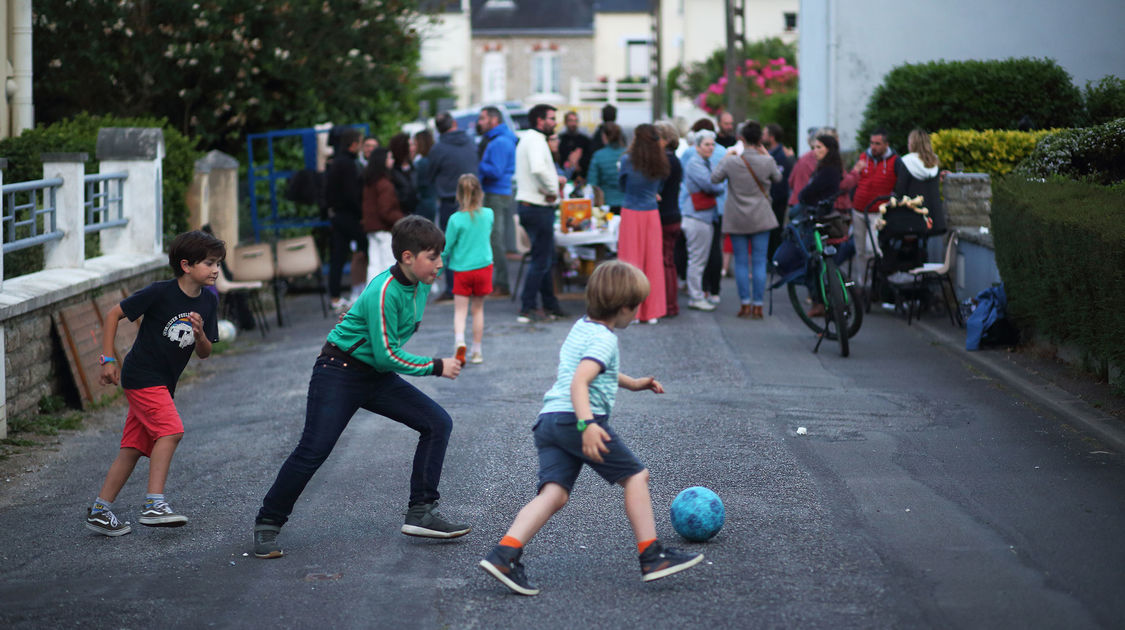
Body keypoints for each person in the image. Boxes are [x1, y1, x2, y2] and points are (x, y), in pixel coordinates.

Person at [478, 261, 704, 596]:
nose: (637, 312)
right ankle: (651, 556)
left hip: (549, 421)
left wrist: (634, 383)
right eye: (637, 306)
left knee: (554, 494)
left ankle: (504, 553)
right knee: (636, 477)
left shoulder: (583, 327)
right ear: (623, 307)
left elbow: (593, 371)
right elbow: (581, 380)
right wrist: (587, 425)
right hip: (576, 420)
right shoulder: (605, 341)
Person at [253, 216, 470, 559]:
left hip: (373, 374)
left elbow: (381, 351)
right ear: (408, 257)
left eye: (440, 255)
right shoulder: (383, 289)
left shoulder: (423, 282)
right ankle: (267, 524)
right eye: (433, 256)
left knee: (437, 422)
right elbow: (386, 355)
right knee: (314, 450)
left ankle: (421, 512)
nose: (440, 264)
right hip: (339, 371)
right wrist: (436, 366)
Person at [85, 231, 225, 537]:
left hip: (162, 382)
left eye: (218, 263)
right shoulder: (160, 292)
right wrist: (108, 360)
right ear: (186, 265)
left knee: (133, 448)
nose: (216, 269)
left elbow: (204, 353)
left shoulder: (207, 303)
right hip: (141, 375)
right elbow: (113, 315)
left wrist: (200, 335)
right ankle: (154, 504)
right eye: (210, 263)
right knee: (171, 431)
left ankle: (100, 510)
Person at [711, 121, 781, 319]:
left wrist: (726, 156)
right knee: (759, 262)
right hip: (761, 216)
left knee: (741, 262)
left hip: (736, 216)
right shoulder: (766, 161)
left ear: (741, 138)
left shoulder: (731, 161)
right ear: (760, 139)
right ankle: (758, 305)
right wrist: (767, 156)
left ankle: (745, 304)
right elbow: (778, 179)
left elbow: (714, 179)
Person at [515, 104, 567, 324]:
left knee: (545, 258)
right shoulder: (536, 140)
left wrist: (549, 188)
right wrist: (554, 187)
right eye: (552, 118)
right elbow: (538, 168)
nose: (555, 123)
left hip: (531, 204)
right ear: (539, 120)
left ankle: (549, 305)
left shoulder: (529, 139)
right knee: (541, 259)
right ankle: (528, 307)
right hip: (537, 207)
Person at [617, 123, 670, 324]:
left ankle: (632, 312)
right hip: (651, 213)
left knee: (630, 263)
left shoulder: (627, 160)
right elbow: (661, 186)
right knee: (653, 262)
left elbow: (622, 184)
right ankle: (652, 311)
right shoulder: (661, 161)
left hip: (631, 211)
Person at [427, 111, 480, 300]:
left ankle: (452, 288)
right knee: (472, 244)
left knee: (449, 246)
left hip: (450, 201)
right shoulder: (470, 142)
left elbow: (430, 174)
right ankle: (474, 286)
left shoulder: (438, 149)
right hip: (473, 202)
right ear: (454, 123)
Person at [443, 174, 494, 364]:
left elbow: (446, 247)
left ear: (458, 194)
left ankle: (459, 341)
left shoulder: (455, 220)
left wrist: (438, 270)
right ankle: (477, 350)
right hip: (483, 267)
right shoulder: (489, 214)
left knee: (460, 311)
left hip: (462, 270)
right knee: (478, 310)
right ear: (479, 192)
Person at [840, 128, 898, 286]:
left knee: (871, 248)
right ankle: (863, 284)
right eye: (872, 143)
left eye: (877, 144)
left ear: (886, 144)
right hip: (858, 210)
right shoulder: (864, 157)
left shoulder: (894, 161)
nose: (873, 147)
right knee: (859, 250)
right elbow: (853, 180)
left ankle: (875, 282)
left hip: (877, 212)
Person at [794, 134, 844, 318]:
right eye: (814, 147)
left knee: (813, 260)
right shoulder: (829, 168)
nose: (814, 151)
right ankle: (820, 300)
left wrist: (805, 197)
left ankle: (819, 301)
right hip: (821, 216)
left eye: (819, 147)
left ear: (829, 150)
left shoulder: (828, 170)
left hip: (819, 218)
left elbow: (807, 194)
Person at [680, 130, 726, 312]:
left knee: (700, 258)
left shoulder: (706, 162)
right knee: (697, 259)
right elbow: (712, 185)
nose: (711, 148)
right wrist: (720, 185)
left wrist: (718, 184)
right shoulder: (695, 163)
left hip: (704, 215)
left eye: (713, 144)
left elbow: (715, 184)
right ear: (697, 146)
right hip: (697, 216)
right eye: (707, 144)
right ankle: (696, 296)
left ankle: (697, 294)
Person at [477, 106, 518, 297]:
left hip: (496, 193)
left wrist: (479, 165)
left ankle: (502, 284)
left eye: (482, 119)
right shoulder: (501, 139)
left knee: (495, 239)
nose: (479, 122)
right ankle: (499, 282)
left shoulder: (499, 142)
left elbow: (496, 170)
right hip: (499, 192)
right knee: (495, 238)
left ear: (494, 120)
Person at [326, 127, 367, 311]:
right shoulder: (349, 164)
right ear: (354, 144)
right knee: (367, 248)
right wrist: (361, 213)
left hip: (338, 215)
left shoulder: (336, 163)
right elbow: (352, 194)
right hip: (350, 215)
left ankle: (334, 297)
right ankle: (365, 289)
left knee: (338, 257)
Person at [894, 128, 947, 247]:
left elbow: (901, 191)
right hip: (934, 216)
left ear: (912, 143)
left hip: (914, 216)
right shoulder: (934, 161)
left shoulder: (906, 162)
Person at [362, 147, 405, 284]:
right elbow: (386, 211)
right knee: (388, 264)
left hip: (372, 228)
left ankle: (372, 295)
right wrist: (402, 219)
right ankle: (387, 296)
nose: (392, 161)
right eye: (389, 158)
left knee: (374, 264)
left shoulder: (370, 182)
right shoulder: (385, 184)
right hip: (385, 228)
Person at [654, 121, 683, 318]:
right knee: (669, 261)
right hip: (674, 213)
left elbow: (658, 190)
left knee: (664, 261)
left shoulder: (665, 161)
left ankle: (668, 304)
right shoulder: (675, 160)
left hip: (664, 215)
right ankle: (670, 303)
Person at [763, 123, 793, 259]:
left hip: (776, 202)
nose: (762, 137)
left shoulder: (780, 156)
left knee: (775, 233)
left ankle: (774, 260)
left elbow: (780, 183)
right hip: (771, 201)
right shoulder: (770, 154)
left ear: (772, 137)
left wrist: (772, 199)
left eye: (764, 134)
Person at [586, 122, 626, 211]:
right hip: (627, 203)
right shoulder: (628, 154)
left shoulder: (598, 156)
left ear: (604, 136)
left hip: (606, 204)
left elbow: (592, 183)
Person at [556, 110, 591, 183]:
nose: (573, 123)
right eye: (571, 120)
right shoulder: (560, 140)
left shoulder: (585, 140)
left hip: (581, 178)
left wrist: (579, 165)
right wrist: (570, 163)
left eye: (575, 121)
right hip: (564, 178)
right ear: (565, 122)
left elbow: (588, 159)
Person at [388, 132, 418, 216]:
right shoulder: (391, 171)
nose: (413, 148)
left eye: (413, 145)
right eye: (410, 145)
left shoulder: (414, 168)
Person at [412, 130, 438, 223]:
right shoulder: (434, 159)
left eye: (415, 144)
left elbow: (415, 185)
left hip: (424, 205)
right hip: (434, 202)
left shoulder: (421, 163)